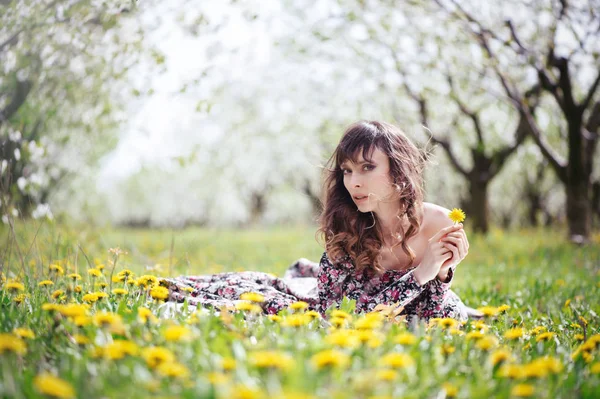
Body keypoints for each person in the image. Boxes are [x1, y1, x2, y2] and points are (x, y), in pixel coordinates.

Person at [164, 120, 481, 322]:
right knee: (258, 297)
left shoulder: (439, 223)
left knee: (449, 317)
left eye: (367, 167)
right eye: (346, 170)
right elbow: (342, 316)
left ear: (399, 172)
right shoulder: (347, 226)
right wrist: (421, 274)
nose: (353, 182)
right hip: (335, 302)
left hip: (410, 313)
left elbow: (431, 314)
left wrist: (440, 274)